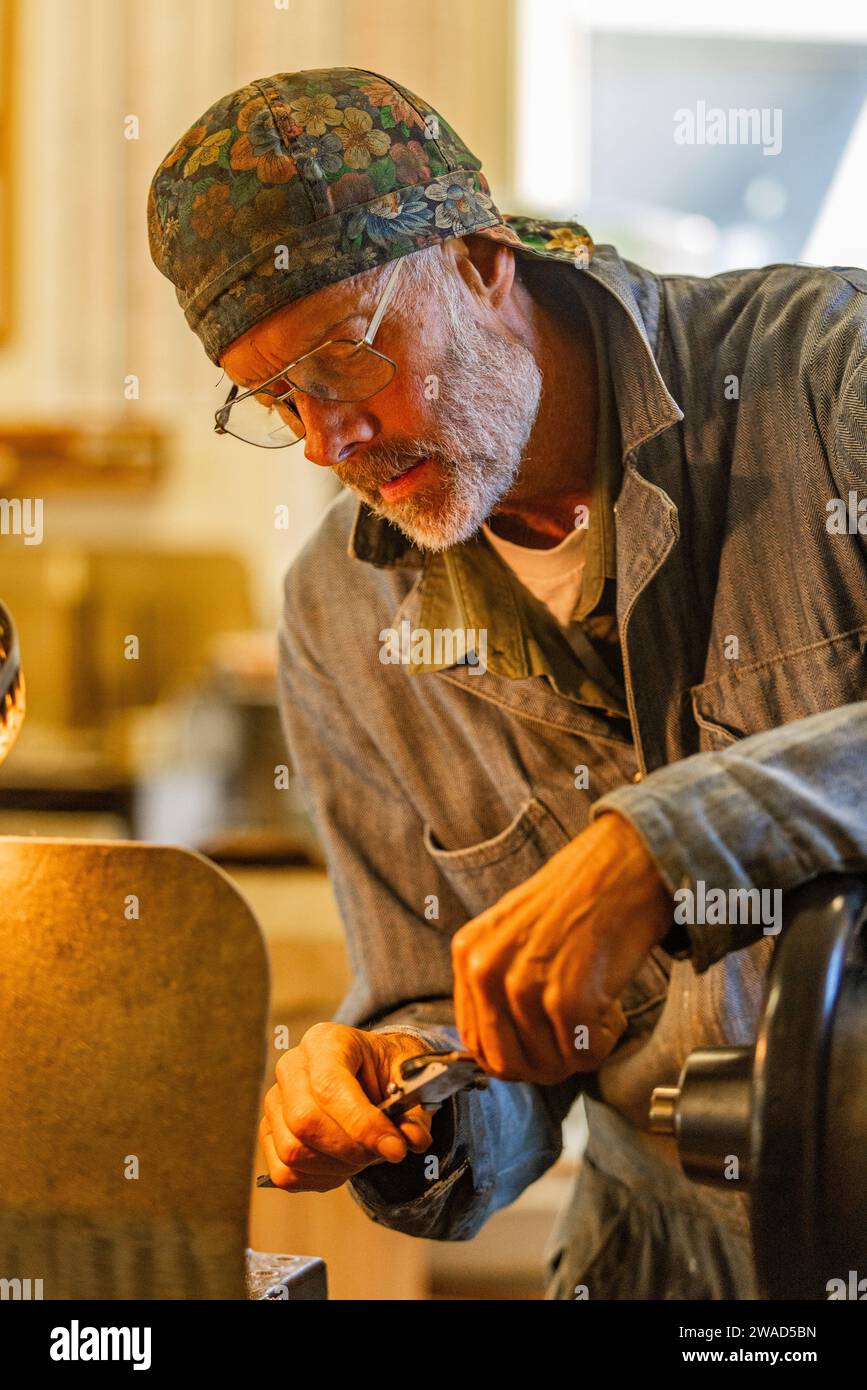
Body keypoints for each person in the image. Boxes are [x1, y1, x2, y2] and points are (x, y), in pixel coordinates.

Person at [148, 66, 867, 1299]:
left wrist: (666, 845)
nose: (328, 442)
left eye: (346, 359)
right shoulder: (346, 611)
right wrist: (400, 1098)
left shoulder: (826, 380)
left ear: (483, 258)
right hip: (668, 1264)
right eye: (276, 400)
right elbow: (469, 1034)